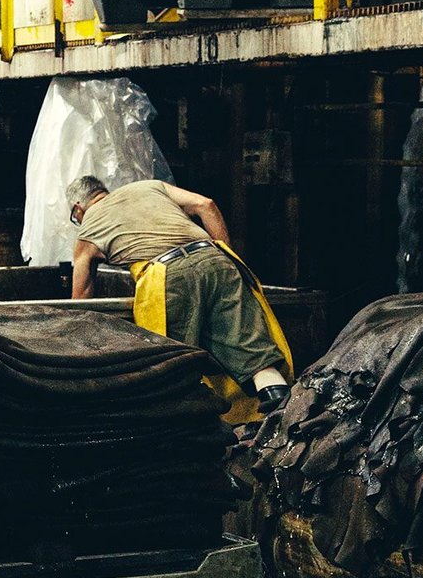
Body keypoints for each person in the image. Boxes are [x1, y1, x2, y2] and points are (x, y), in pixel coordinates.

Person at [68, 175, 292, 418]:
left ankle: (199, 438)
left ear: (78, 208)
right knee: (250, 348)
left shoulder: (88, 227)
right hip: (215, 259)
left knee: (176, 366)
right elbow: (206, 205)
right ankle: (281, 409)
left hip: (168, 275)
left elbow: (81, 300)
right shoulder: (148, 186)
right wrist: (225, 255)